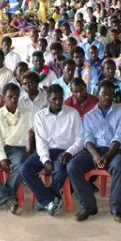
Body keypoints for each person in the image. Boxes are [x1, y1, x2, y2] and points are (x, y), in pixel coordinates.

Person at [67, 80, 121, 223]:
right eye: (104, 94)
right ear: (97, 94)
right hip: (94, 150)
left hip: (115, 150)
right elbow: (87, 139)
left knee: (120, 166)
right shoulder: (89, 116)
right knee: (72, 166)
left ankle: (116, 207)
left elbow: (119, 138)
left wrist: (106, 156)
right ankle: (88, 206)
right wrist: (95, 155)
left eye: (111, 94)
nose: (108, 97)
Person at [20, 84, 84, 216]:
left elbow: (80, 139)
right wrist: (45, 160)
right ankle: (50, 200)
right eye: (54, 99)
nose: (58, 102)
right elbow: (41, 141)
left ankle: (46, 200)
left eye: (60, 98)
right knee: (24, 169)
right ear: (48, 99)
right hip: (45, 150)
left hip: (65, 151)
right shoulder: (40, 116)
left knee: (60, 170)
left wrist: (69, 152)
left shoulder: (72, 113)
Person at [0, 83, 34, 215]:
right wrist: (2, 158)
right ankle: (9, 198)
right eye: (10, 96)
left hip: (18, 149)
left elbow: (34, 133)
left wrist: (30, 147)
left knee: (22, 165)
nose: (13, 99)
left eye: (16, 96)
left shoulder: (28, 114)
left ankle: (2, 197)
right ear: (4, 97)